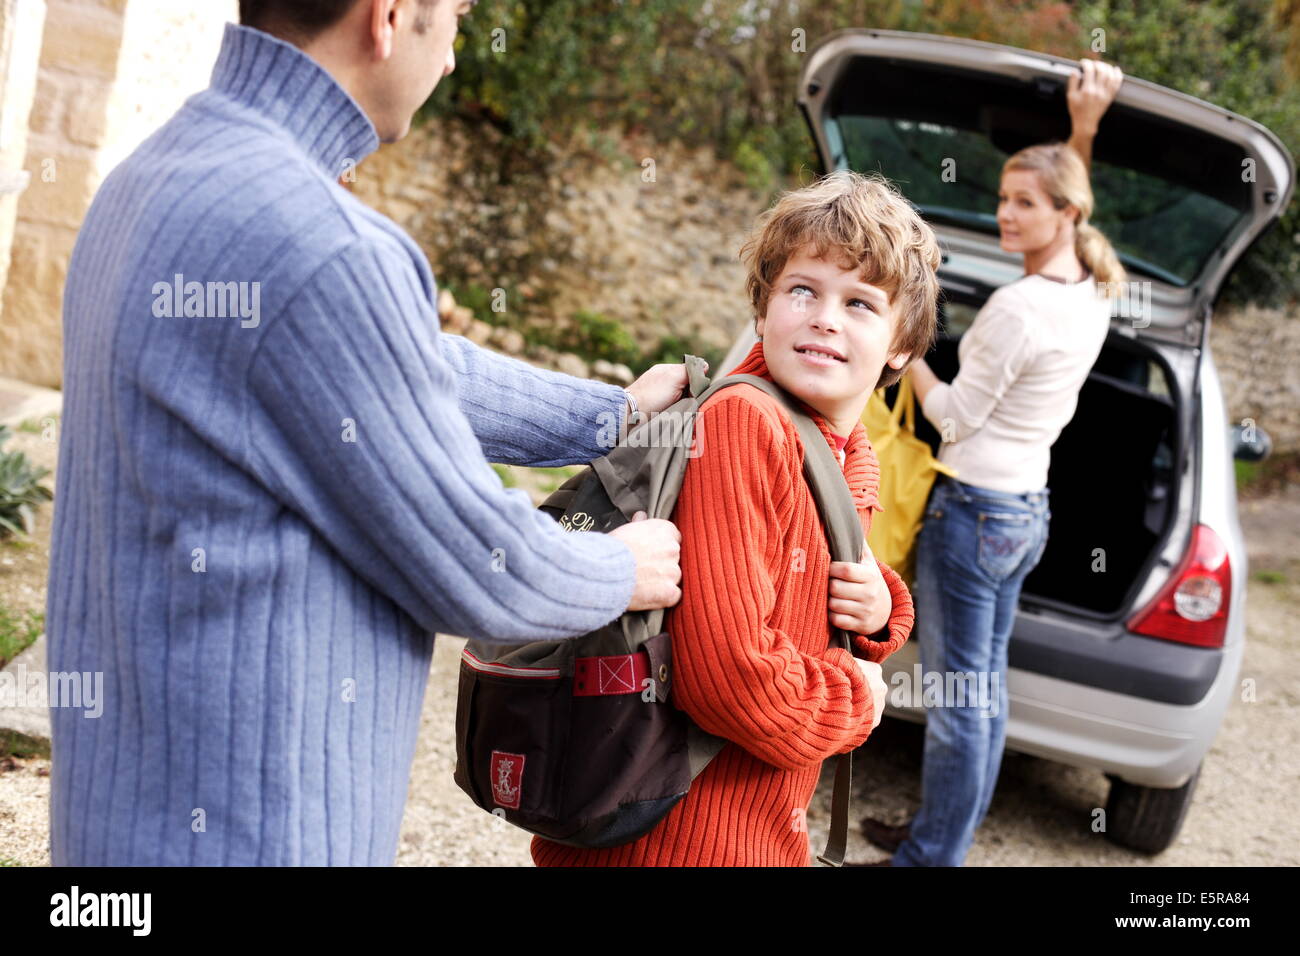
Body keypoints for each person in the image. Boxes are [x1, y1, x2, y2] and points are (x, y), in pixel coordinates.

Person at [46, 0, 693, 866]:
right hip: (253, 829)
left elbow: (408, 368)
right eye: (457, 17)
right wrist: (622, 567)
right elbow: (474, 564)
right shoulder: (322, 244)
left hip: (118, 818)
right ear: (389, 17)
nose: (457, 56)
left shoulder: (152, 173)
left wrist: (610, 418)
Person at [532, 170, 942, 866]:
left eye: (861, 304)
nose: (826, 317)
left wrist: (882, 613)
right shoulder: (745, 424)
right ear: (762, 309)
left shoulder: (848, 450)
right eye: (802, 290)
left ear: (902, 346)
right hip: (674, 844)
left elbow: (812, 600)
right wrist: (858, 703)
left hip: (758, 834)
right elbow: (727, 681)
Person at [858, 59, 1126, 867]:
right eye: (1004, 197)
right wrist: (1085, 129)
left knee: (958, 700)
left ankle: (930, 856)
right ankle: (941, 836)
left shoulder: (1018, 307)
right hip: (1024, 513)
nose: (1005, 214)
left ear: (1065, 212)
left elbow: (954, 417)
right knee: (985, 693)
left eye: (1022, 204)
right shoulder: (1091, 287)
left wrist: (904, 352)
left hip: (972, 514)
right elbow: (1075, 199)